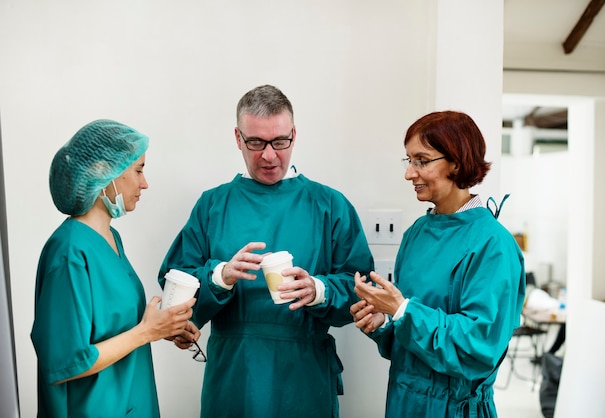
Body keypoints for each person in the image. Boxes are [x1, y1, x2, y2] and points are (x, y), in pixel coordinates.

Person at [158, 84, 374, 418]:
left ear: (294, 134)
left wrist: (319, 290)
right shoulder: (213, 206)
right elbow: (176, 285)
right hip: (234, 375)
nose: (269, 155)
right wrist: (219, 276)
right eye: (256, 142)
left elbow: (362, 290)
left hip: (304, 376)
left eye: (280, 142)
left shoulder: (329, 205)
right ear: (237, 137)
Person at [350, 111, 526, 417]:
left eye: (422, 160)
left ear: (456, 162)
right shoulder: (416, 234)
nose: (409, 173)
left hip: (454, 409)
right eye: (409, 160)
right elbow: (413, 345)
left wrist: (403, 311)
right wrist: (384, 324)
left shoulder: (493, 244)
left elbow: (479, 346)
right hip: (403, 403)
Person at [31, 119, 201, 417]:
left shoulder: (112, 240)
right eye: (138, 170)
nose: (144, 183)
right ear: (102, 172)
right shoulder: (69, 252)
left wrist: (163, 327)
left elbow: (117, 328)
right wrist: (147, 332)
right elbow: (65, 363)